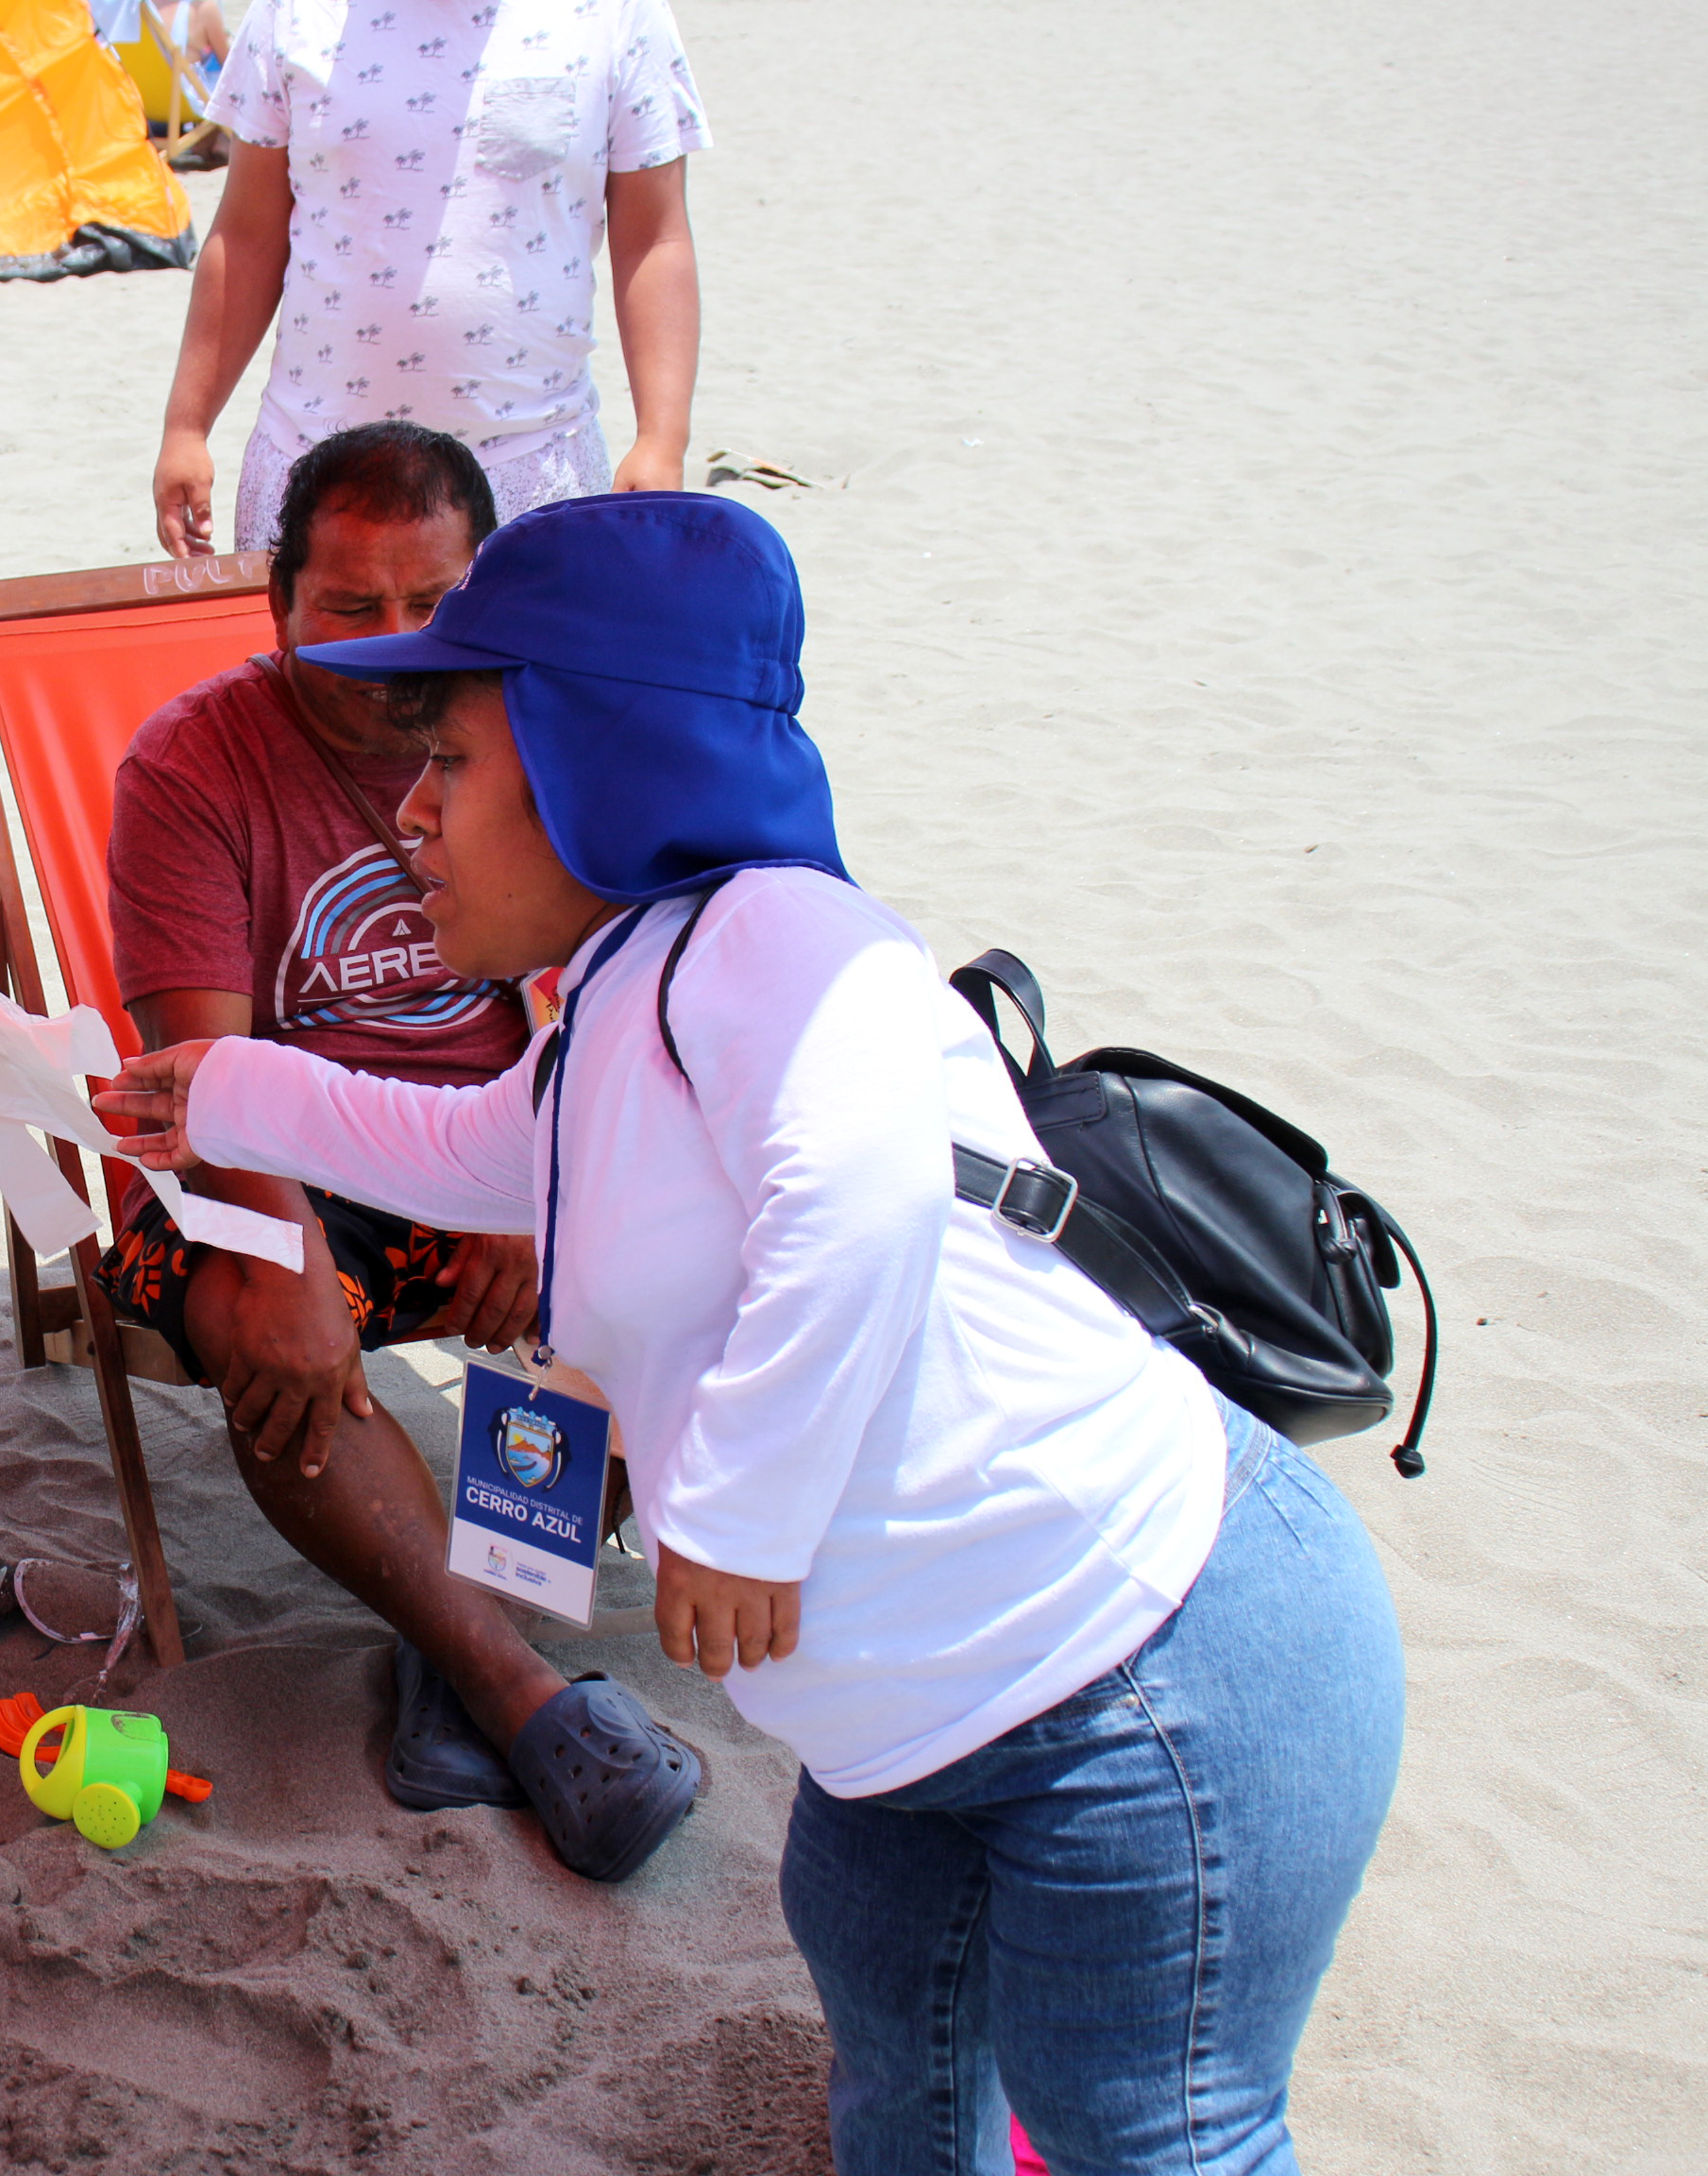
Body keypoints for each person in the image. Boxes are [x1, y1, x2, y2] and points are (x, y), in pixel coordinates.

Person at [98, 492, 1407, 2172]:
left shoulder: (782, 937)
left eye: (454, 766)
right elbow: (472, 1143)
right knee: (906, 2080)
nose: (409, 811)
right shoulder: (625, 987)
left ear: (600, 763)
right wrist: (222, 1085)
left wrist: (740, 1517)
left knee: (1141, 2130)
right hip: (920, 1730)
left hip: (1147, 1678)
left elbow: (855, 1190)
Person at [101, 418, 695, 1879]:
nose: (392, 642)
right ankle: (508, 1679)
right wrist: (295, 1256)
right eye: (349, 607)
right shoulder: (192, 765)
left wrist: (521, 1186)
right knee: (259, 1313)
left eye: (433, 604)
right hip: (264, 1151)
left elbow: (588, 1001)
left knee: (663, 1253)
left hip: (491, 1133)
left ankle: (466, 1628)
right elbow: (201, 1079)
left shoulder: (533, 739)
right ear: (276, 606)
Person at [151, 0, 710, 555]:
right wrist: (187, 426)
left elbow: (654, 240)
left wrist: (661, 439)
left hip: (532, 470)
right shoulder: (293, 12)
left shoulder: (620, 15)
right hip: (317, 473)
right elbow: (248, 237)